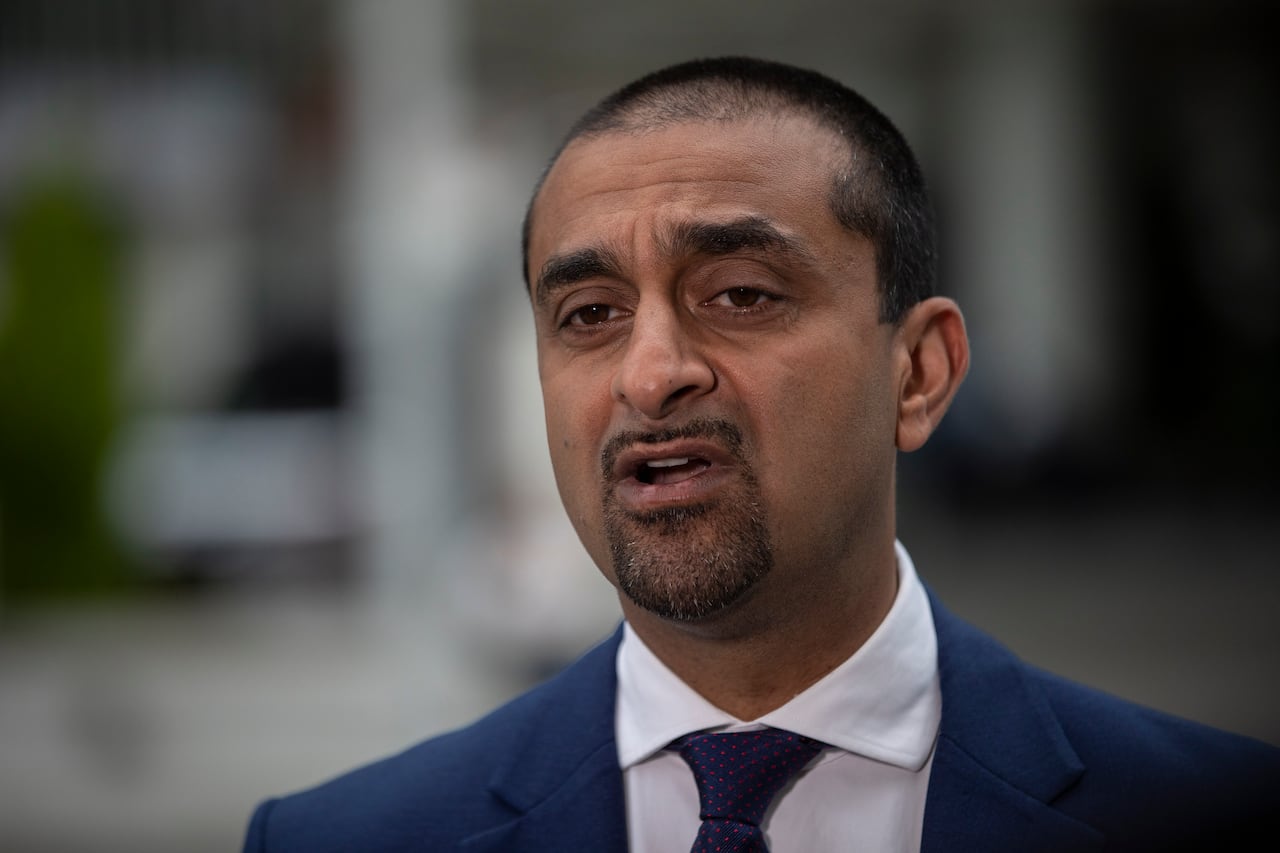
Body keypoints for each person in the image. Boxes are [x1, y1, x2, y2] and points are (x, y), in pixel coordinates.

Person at [242, 56, 1278, 852]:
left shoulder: (1214, 814)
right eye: (590, 313)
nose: (650, 374)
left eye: (739, 294)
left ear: (918, 371)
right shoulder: (340, 839)